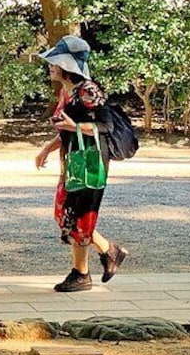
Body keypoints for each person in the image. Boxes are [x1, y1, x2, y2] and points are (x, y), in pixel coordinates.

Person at [34, 35, 128, 293]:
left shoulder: (88, 90)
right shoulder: (68, 91)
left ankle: (81, 273)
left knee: (79, 217)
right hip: (73, 162)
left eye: (54, 62)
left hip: (91, 162)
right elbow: (66, 129)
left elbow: (105, 125)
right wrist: (48, 149)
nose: (50, 66)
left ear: (66, 65)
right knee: (64, 214)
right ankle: (109, 250)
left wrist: (74, 127)